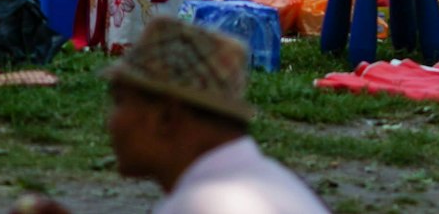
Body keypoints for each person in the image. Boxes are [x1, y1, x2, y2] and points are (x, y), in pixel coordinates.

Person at [97, 16, 328, 214]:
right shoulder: (276, 184)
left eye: (120, 101)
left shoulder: (198, 204)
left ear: (166, 116)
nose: (111, 123)